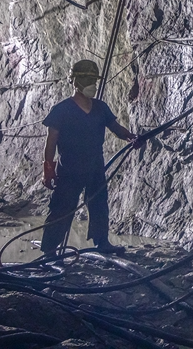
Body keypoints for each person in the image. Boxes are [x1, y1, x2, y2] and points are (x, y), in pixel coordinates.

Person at [40, 59, 139, 255]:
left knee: (99, 204)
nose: (91, 84)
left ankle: (102, 242)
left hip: (95, 165)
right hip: (69, 167)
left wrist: (130, 137)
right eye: (87, 79)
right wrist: (48, 169)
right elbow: (51, 140)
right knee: (62, 207)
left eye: (93, 79)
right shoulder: (62, 109)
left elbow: (115, 127)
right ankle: (50, 250)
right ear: (75, 81)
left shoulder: (100, 107)